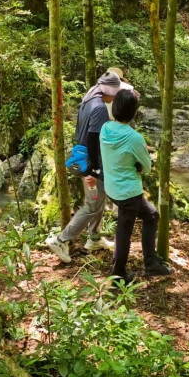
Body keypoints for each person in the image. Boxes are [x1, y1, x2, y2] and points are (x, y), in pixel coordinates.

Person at [45, 71, 121, 263]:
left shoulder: (89, 99)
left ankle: (94, 238)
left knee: (98, 201)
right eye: (116, 92)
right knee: (92, 205)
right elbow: (95, 141)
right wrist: (94, 171)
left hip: (84, 156)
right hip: (92, 161)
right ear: (109, 91)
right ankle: (61, 240)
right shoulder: (100, 108)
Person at [100, 89, 174, 283]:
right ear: (133, 112)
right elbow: (148, 167)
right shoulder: (134, 138)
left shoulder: (105, 129)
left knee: (151, 215)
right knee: (124, 231)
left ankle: (150, 263)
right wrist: (139, 165)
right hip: (128, 193)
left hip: (113, 188)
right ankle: (118, 275)